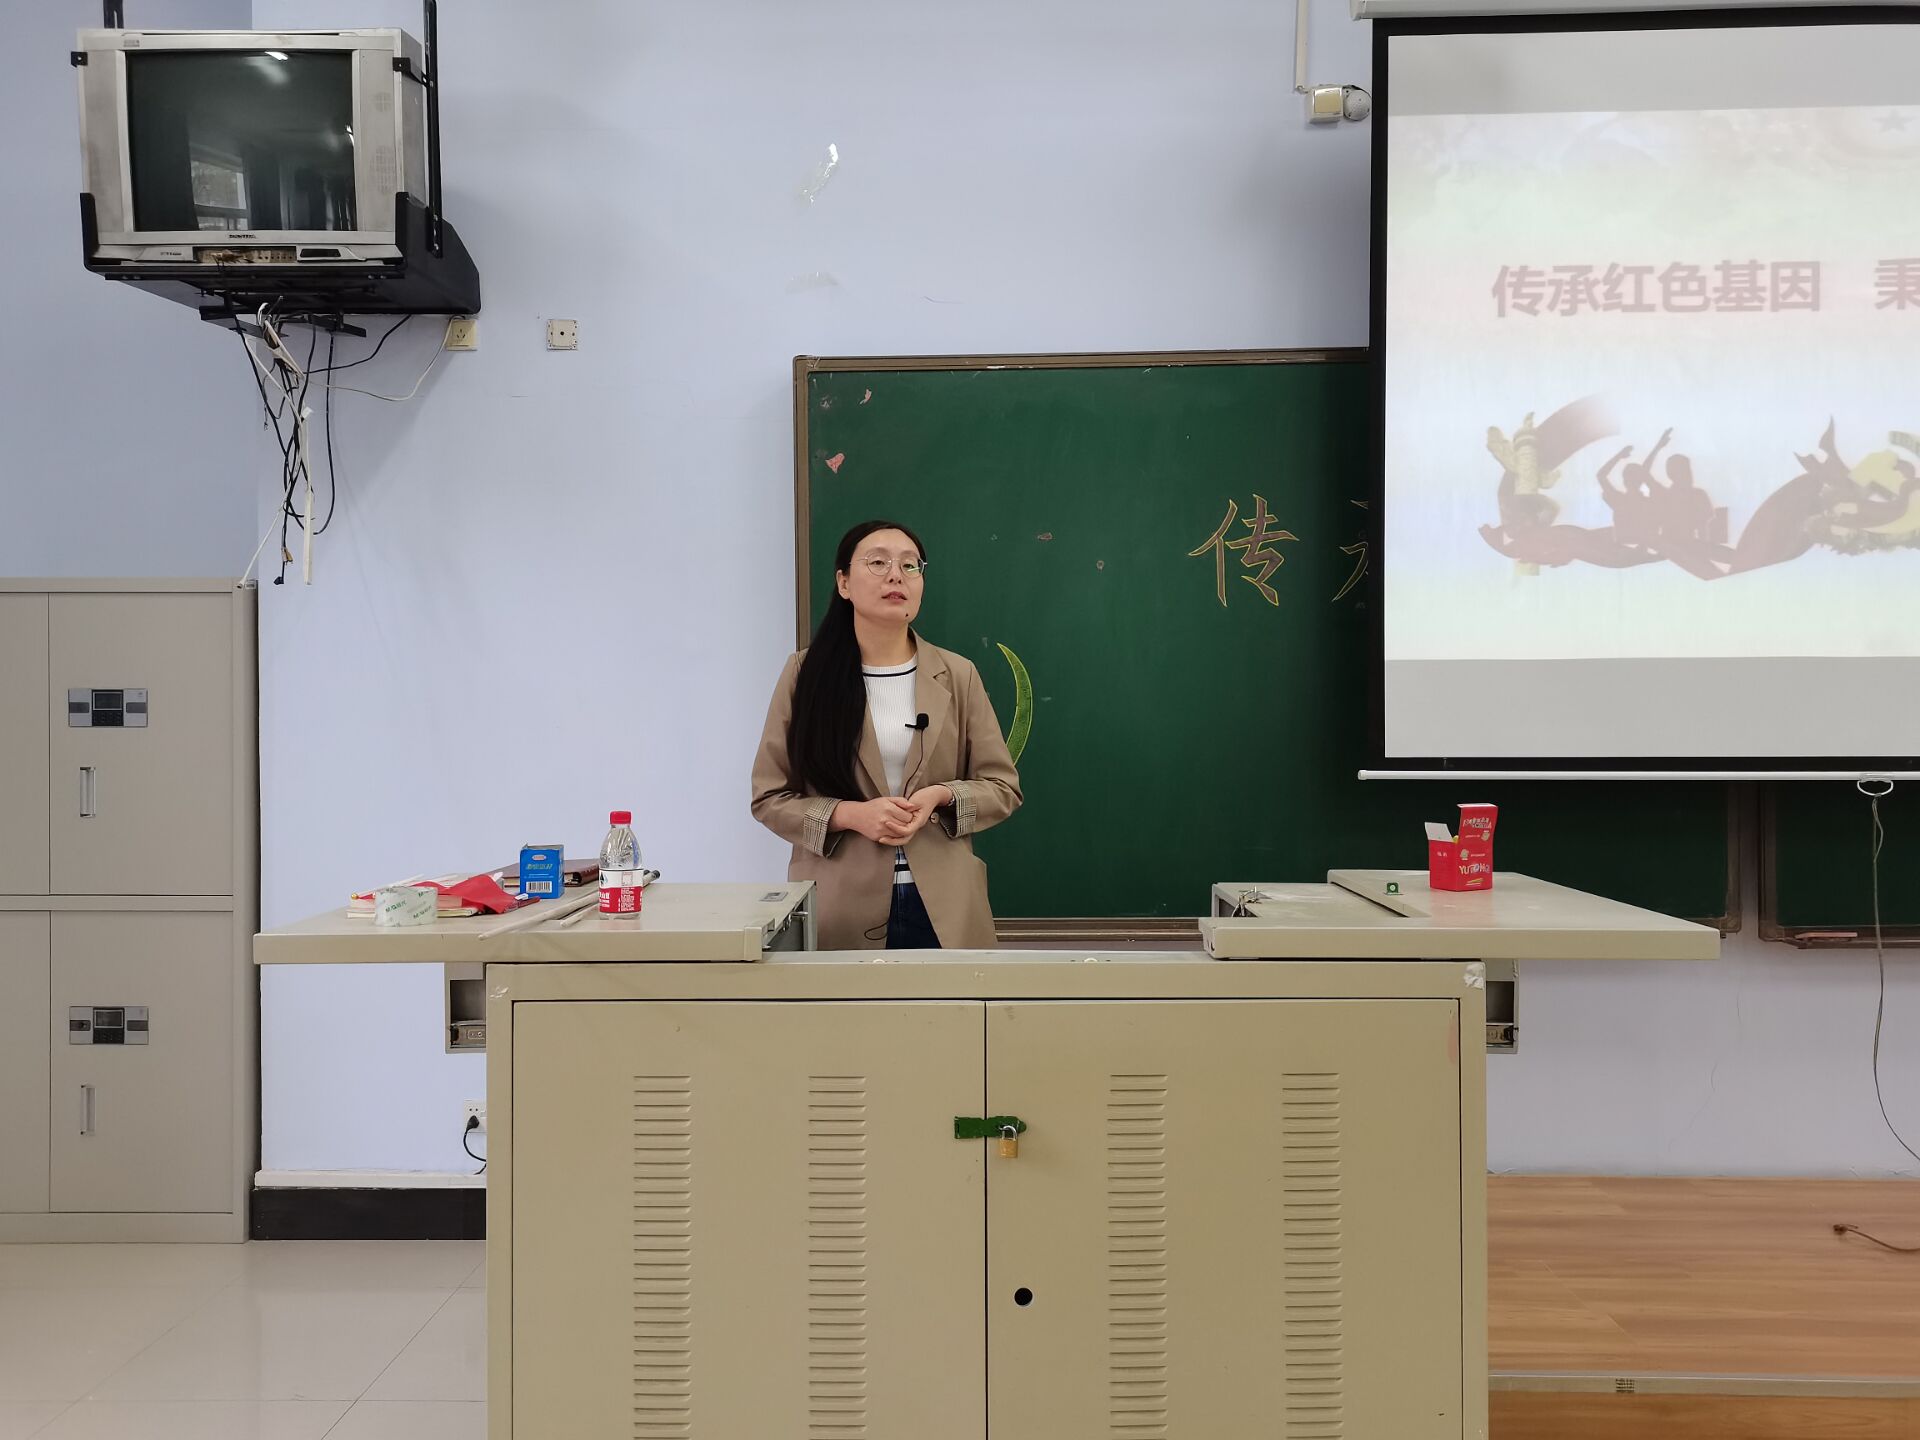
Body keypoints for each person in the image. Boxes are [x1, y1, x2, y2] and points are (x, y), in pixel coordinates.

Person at [751, 519, 1022, 950]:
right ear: (844, 582)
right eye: (878, 562)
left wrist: (941, 796)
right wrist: (850, 815)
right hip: (840, 903)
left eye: (910, 565)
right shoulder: (805, 674)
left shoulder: (957, 674)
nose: (896, 575)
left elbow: (1002, 788)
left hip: (945, 905)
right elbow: (769, 798)